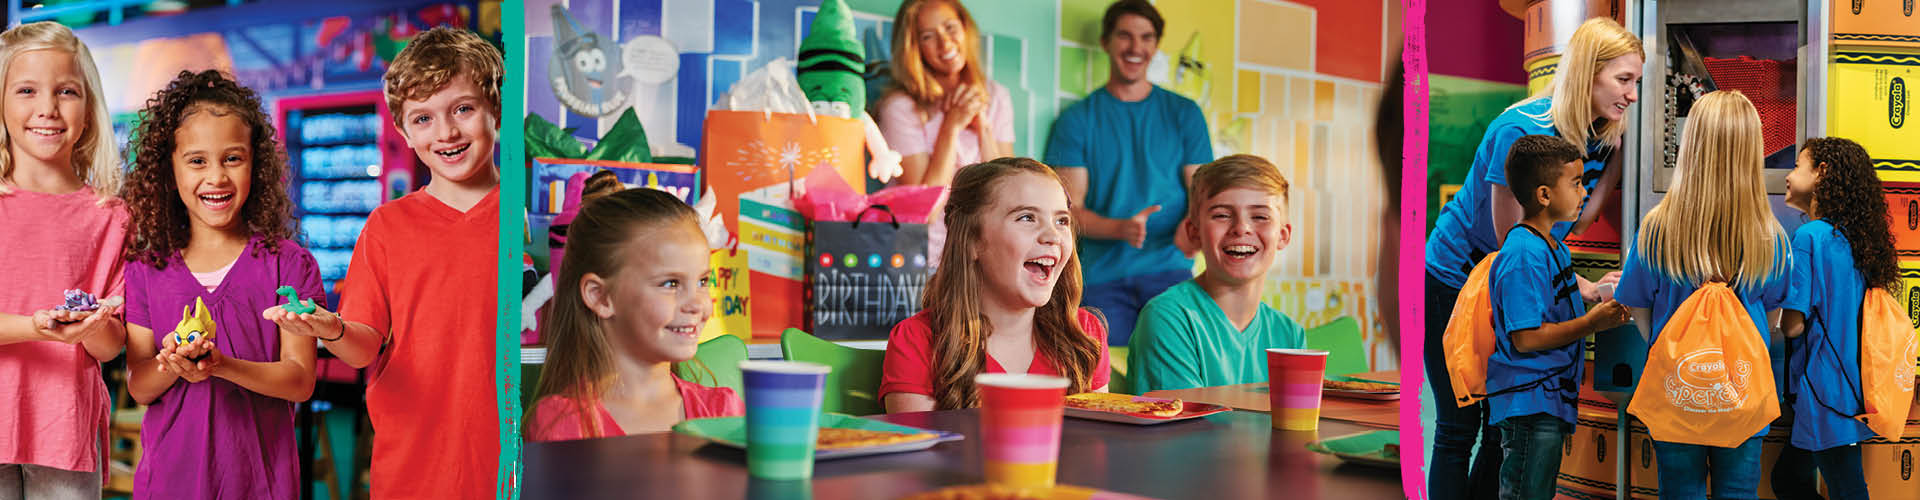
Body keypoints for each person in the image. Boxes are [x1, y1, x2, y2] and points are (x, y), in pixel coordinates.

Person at [266, 27, 504, 499]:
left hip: (517, 460)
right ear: (402, 131)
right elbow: (362, 348)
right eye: (423, 119)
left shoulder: (527, 220)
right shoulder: (387, 227)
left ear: (495, 107)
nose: (446, 132)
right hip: (414, 467)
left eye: (463, 109)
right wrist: (329, 327)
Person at [1422, 18, 1643, 497]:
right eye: (1623, 80)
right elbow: (1512, 245)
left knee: (1502, 423)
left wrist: (1620, 152)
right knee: (1459, 425)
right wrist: (1580, 290)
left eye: (1636, 82)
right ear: (1589, 73)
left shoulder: (1597, 136)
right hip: (1456, 275)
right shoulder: (1520, 128)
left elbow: (1575, 225)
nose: (1632, 94)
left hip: (1506, 273)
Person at [119, 70, 320, 498]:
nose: (216, 177)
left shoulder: (290, 264)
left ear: (256, 164)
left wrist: (221, 366)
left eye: (233, 158)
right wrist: (169, 363)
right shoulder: (144, 268)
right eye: (197, 161)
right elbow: (138, 385)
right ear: (169, 171)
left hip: (261, 485)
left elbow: (301, 380)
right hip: (169, 484)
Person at [1616, 90, 1790, 500]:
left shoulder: (1657, 229)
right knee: (1737, 492)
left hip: (1677, 392)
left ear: (1690, 146)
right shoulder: (1770, 236)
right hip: (1742, 396)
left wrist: (1672, 347)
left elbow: (1638, 308)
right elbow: (1773, 321)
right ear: (1751, 151)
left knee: (1679, 491)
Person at [0, 21, 129, 499]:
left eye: (67, 91)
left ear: (89, 107)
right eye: (26, 90)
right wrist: (35, 327)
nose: (47, 109)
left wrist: (92, 327)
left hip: (65, 429)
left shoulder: (110, 216)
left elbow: (112, 346)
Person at [1044, 0, 1213, 346]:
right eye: (1125, 36)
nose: (1136, 47)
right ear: (1106, 42)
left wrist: (1191, 229)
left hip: (1170, 271)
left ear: (1155, 45)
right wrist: (1119, 229)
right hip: (1101, 277)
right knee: (1103, 381)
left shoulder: (1185, 114)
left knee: (1176, 370)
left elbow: (1206, 191)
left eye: (1146, 37)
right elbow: (1066, 211)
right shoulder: (1076, 120)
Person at [881, 157, 1110, 412]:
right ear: (972, 241)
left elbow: (1095, 443)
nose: (1052, 236)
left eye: (1061, 221)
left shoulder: (1084, 335)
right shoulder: (917, 341)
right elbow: (921, 450)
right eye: (1026, 218)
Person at [529, 188, 743, 441]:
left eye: (703, 281)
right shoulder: (560, 423)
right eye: (671, 284)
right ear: (600, 296)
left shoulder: (723, 412)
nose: (697, 303)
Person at [1485, 135, 1630, 500]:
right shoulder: (1523, 254)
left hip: (1548, 398)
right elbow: (1527, 337)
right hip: (1529, 402)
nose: (1584, 192)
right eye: (1577, 183)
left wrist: (1598, 291)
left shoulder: (1554, 247)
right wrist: (1593, 323)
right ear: (1545, 195)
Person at [1774, 137, 1892, 500]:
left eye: (1797, 166)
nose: (1789, 177)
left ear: (1822, 173)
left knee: (1844, 489)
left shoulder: (1809, 236)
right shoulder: (1853, 237)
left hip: (1823, 389)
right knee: (1792, 478)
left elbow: (1793, 325)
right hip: (1852, 385)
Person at [1127, 154, 1305, 392]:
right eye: (1222, 215)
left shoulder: (1290, 335)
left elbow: (1297, 424)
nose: (1241, 228)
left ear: (1283, 236)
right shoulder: (1167, 319)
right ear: (1194, 233)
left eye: (1260, 216)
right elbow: (1184, 427)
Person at [878, 0, 1013, 188]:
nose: (945, 42)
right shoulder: (899, 108)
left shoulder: (997, 96)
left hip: (985, 219)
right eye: (928, 36)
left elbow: (1007, 191)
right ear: (914, 48)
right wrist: (951, 126)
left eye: (950, 27)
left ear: (965, 28)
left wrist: (983, 128)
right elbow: (925, 211)